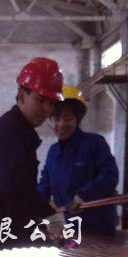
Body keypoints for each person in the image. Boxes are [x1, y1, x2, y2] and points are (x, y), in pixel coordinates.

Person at [0, 57, 65, 251]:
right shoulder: (8, 133)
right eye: (40, 100)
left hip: (6, 238)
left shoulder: (19, 132)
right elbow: (15, 189)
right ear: (22, 95)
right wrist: (48, 213)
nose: (46, 110)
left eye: (51, 103)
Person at [38, 85, 119, 240]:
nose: (61, 124)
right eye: (57, 119)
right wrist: (40, 208)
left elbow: (109, 176)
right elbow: (45, 184)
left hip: (98, 229)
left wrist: (83, 196)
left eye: (67, 118)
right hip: (68, 229)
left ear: (78, 119)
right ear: (50, 120)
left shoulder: (94, 144)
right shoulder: (53, 152)